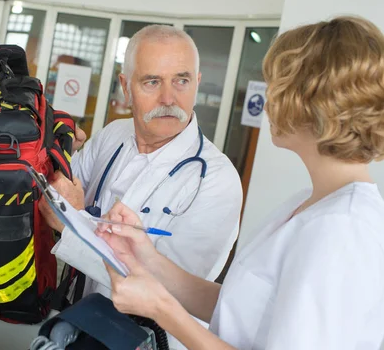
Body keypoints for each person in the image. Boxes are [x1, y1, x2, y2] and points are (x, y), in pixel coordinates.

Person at [97, 15, 384, 349]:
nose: (268, 101)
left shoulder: (343, 229)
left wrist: (159, 309)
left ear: (313, 102)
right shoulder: (310, 202)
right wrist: (145, 257)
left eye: (278, 87)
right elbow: (239, 307)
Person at [40, 25, 243, 348]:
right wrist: (60, 155)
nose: (168, 98)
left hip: (148, 340)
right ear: (125, 87)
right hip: (81, 322)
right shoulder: (113, 134)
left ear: (197, 82)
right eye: (152, 81)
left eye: (182, 80)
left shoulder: (217, 180)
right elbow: (60, 192)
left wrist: (74, 222)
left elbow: (167, 289)